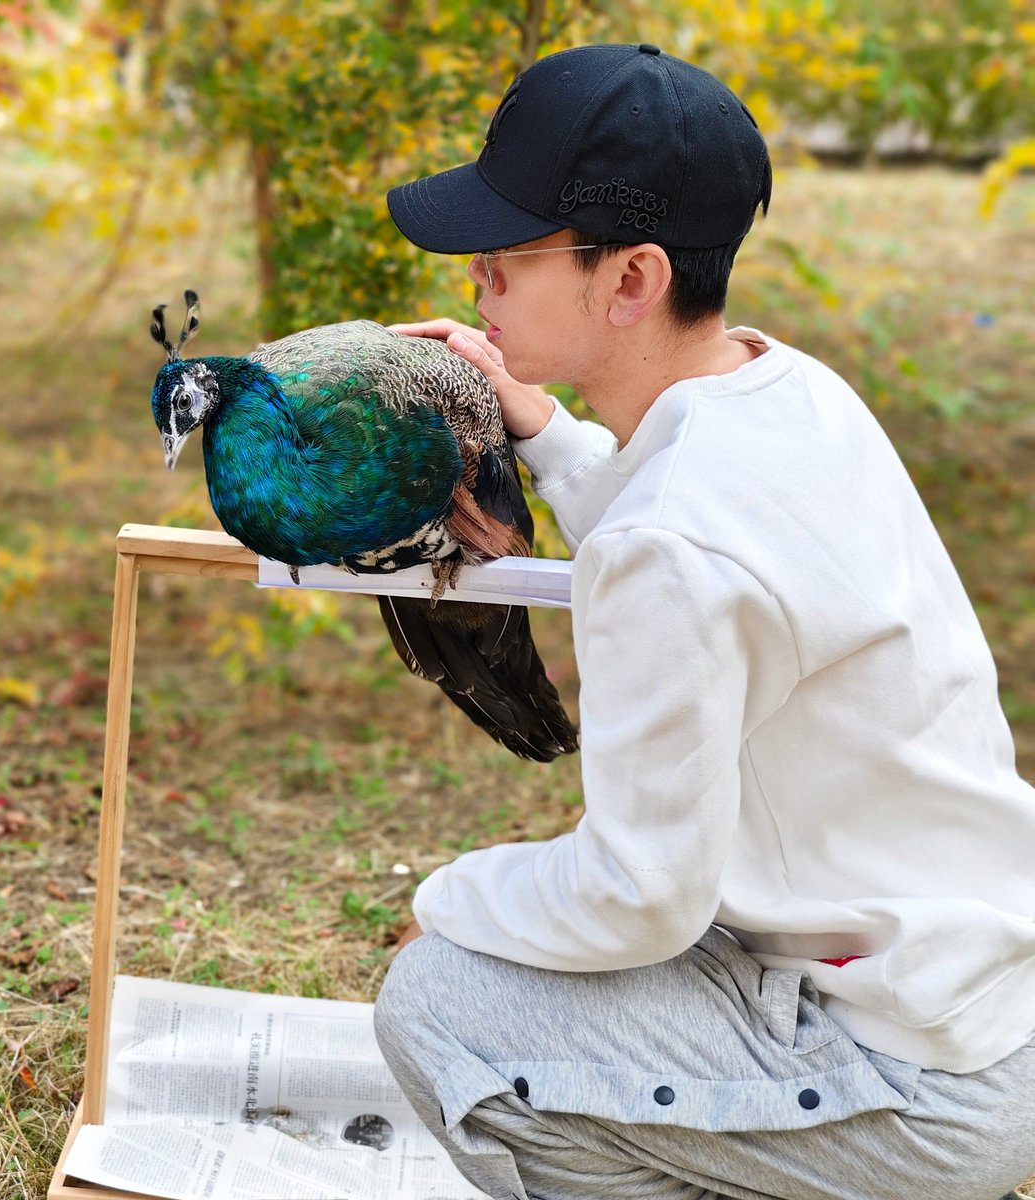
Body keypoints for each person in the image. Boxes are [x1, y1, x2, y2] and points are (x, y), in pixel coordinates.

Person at [372, 42, 1035, 1200]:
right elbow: (694, 537)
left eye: (504, 258)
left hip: (921, 1082)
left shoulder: (669, 546)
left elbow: (640, 896)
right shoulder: (793, 392)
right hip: (981, 989)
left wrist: (447, 905)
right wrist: (542, 426)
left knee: (443, 1007)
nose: (477, 278)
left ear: (629, 280)